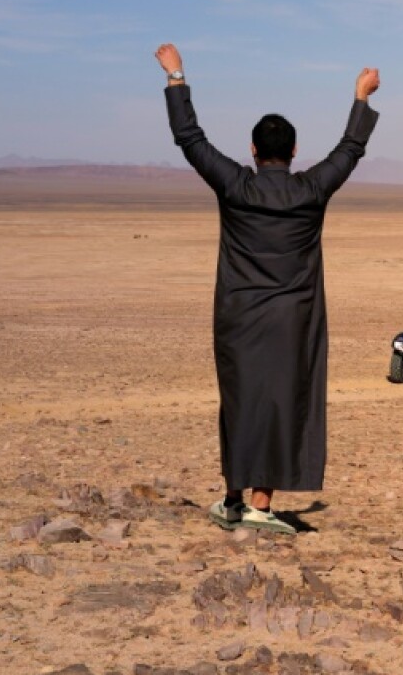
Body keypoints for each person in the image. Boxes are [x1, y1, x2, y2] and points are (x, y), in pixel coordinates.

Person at [154, 43, 380, 534]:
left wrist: (176, 76)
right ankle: (257, 503)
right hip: (290, 322)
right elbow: (350, 149)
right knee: (280, 403)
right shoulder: (310, 190)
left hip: (238, 319)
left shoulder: (236, 186)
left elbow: (190, 138)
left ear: (253, 151)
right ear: (294, 152)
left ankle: (235, 500)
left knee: (240, 403)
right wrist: (361, 98)